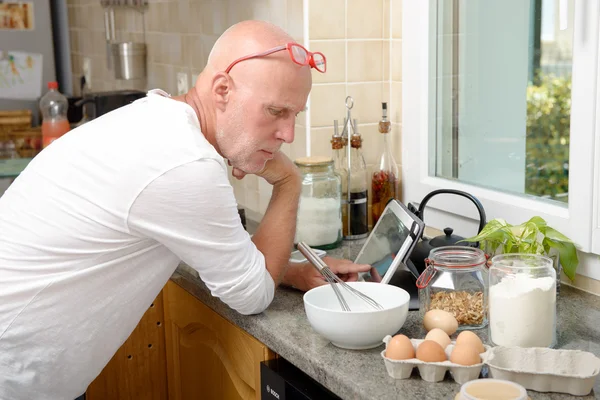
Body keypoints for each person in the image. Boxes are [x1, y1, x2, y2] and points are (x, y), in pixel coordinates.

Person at [0, 20, 370, 400]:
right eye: (276, 111)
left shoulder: (156, 120)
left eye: (295, 114)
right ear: (222, 90)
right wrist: (289, 181)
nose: (288, 134)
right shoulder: (186, 164)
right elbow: (252, 296)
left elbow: (220, 256)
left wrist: (288, 272)